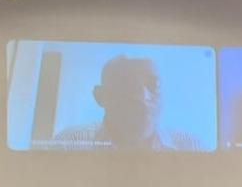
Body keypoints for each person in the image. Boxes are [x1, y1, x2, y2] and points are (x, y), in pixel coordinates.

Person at [54, 55, 203, 151]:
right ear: (101, 96)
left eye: (154, 86)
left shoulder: (191, 147)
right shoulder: (68, 144)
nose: (142, 97)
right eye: (126, 85)